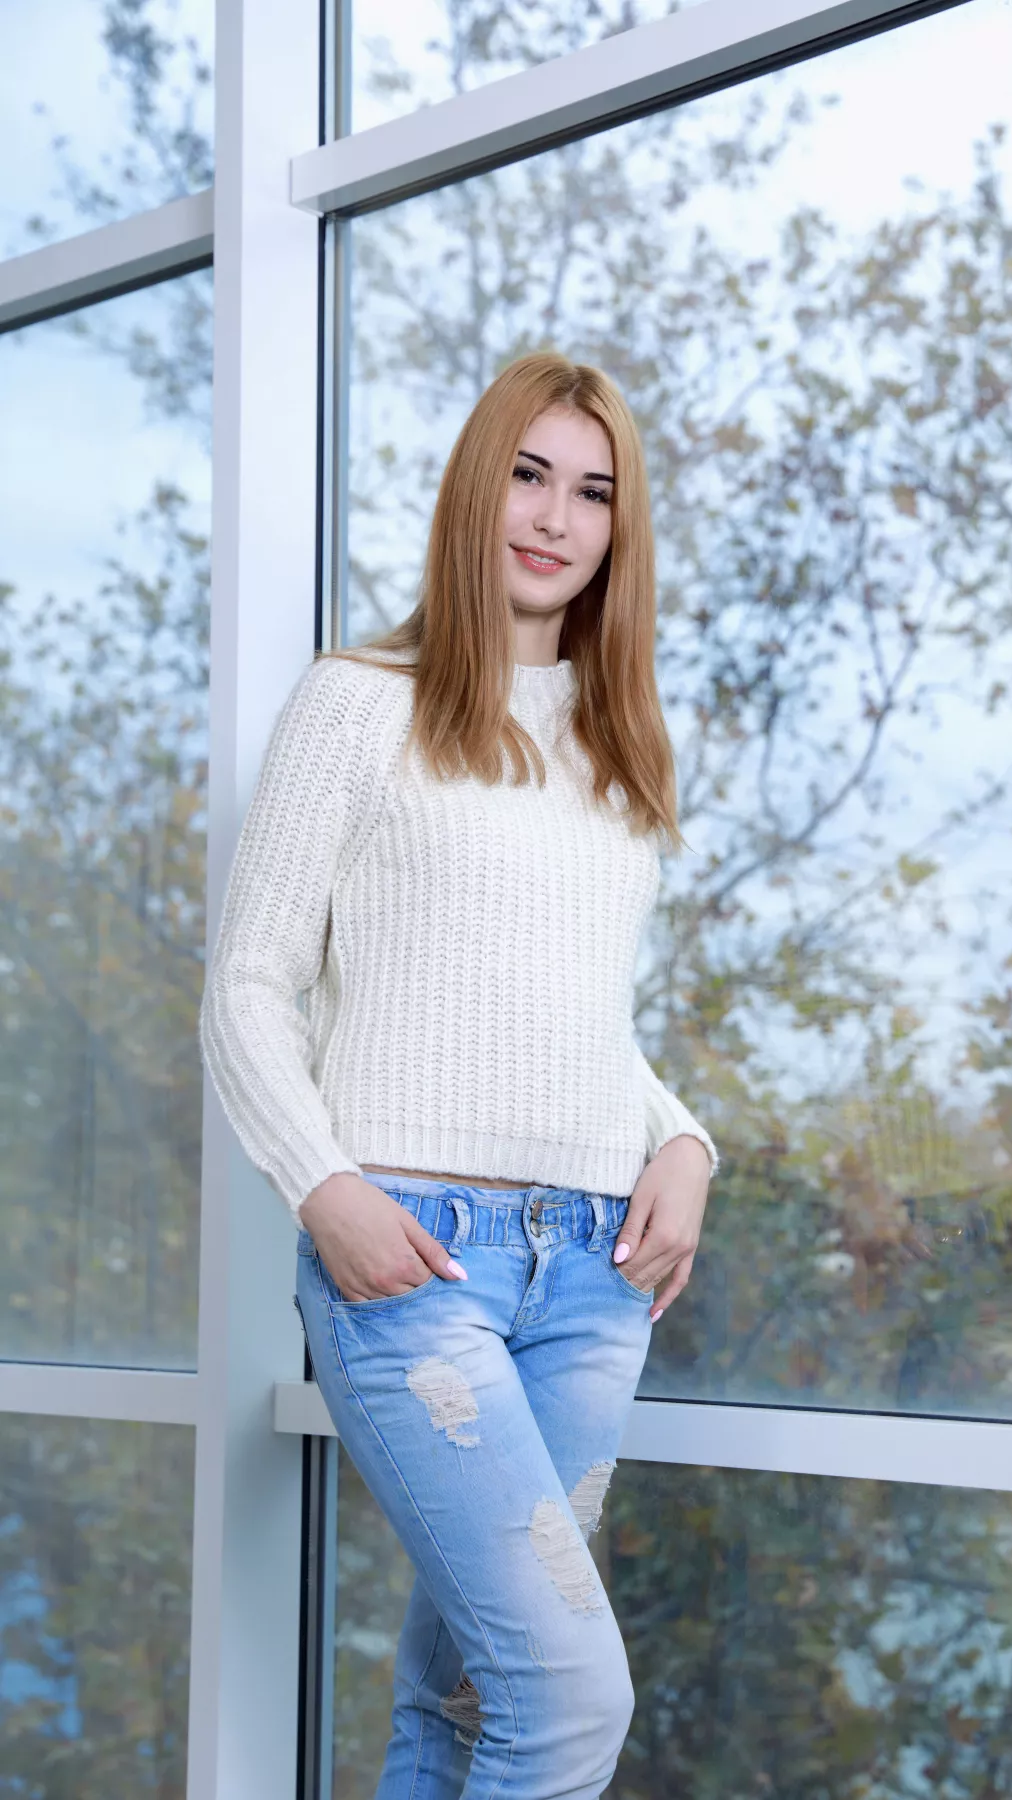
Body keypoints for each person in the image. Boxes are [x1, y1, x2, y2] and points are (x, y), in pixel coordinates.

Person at [198, 350, 720, 1799]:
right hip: (414, 1264)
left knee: (467, 1698)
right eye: (529, 476)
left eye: (593, 492)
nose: (555, 517)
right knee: (569, 1698)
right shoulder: (357, 703)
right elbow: (247, 984)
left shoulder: (622, 748)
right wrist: (325, 1190)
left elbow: (578, 1021)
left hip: (597, 1275)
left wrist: (685, 1143)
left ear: (620, 529)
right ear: (476, 489)